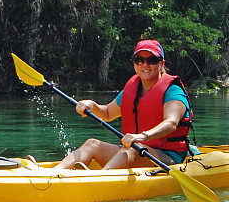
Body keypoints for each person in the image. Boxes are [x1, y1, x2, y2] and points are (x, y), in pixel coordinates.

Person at [55, 39, 195, 171]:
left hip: (167, 157)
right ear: (134, 64)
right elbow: (108, 113)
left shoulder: (173, 90)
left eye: (151, 60)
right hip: (134, 150)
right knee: (91, 144)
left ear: (161, 64)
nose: (145, 65)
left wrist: (142, 136)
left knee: (132, 148)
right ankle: (52, 174)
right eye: (139, 60)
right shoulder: (132, 90)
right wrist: (93, 105)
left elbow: (171, 123)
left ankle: (100, 179)